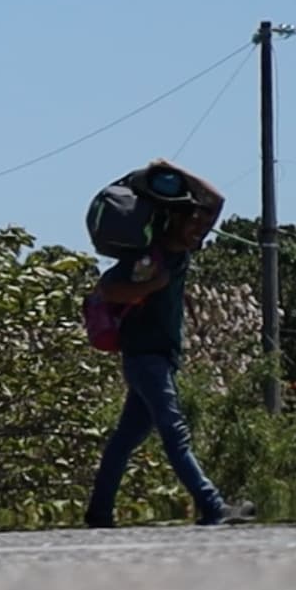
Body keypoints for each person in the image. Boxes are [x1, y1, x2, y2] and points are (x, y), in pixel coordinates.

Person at [85, 160, 245, 527]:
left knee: (125, 439)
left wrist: (169, 169)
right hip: (145, 357)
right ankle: (212, 504)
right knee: (175, 432)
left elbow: (216, 200)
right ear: (172, 219)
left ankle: (98, 511)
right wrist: (149, 287)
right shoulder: (149, 256)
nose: (197, 227)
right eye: (190, 220)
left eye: (197, 222)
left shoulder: (182, 250)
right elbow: (108, 288)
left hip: (161, 356)